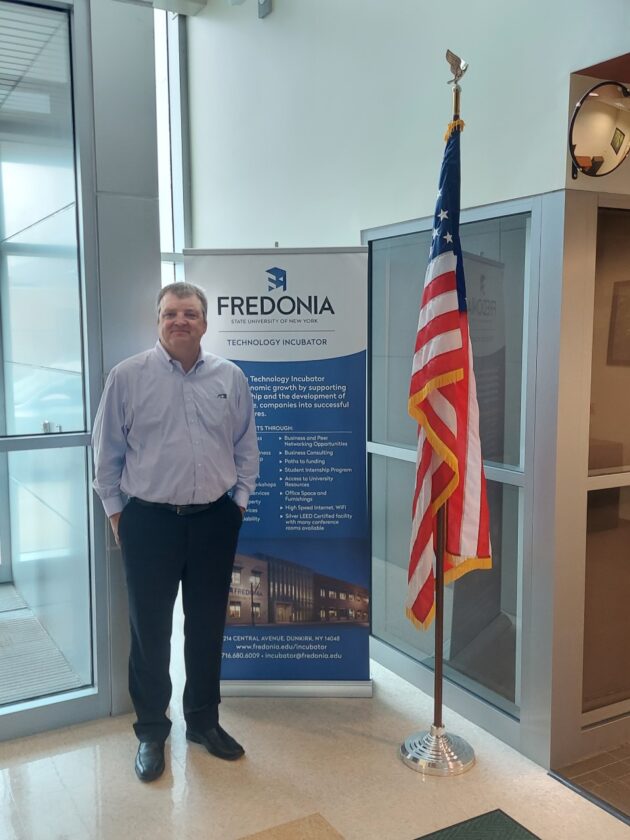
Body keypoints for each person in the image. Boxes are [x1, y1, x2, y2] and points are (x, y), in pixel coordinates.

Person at [92, 282, 259, 782]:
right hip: (149, 522)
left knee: (208, 625)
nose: (180, 321)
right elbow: (106, 460)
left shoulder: (230, 377)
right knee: (150, 631)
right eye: (170, 313)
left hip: (214, 521)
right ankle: (150, 731)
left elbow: (246, 448)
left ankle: (203, 722)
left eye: (190, 313)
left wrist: (238, 505)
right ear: (158, 322)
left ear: (205, 322)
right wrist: (122, 518)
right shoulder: (127, 377)